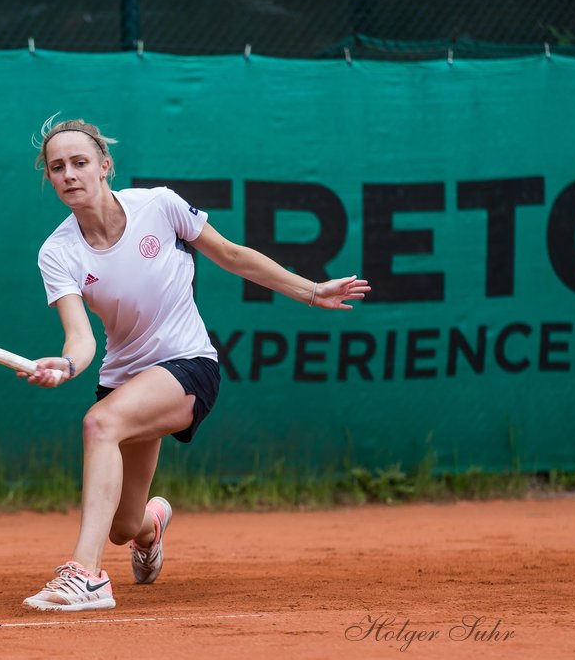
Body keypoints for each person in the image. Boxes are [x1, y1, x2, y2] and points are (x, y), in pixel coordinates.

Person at [20, 116, 370, 612]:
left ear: (104, 166)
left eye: (80, 163)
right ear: (51, 178)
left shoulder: (159, 206)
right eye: (58, 168)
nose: (69, 174)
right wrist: (66, 365)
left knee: (99, 424)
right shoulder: (57, 252)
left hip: (189, 364)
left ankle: (86, 576)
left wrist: (312, 291)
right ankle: (151, 527)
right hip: (124, 378)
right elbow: (79, 339)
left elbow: (231, 255)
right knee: (123, 526)